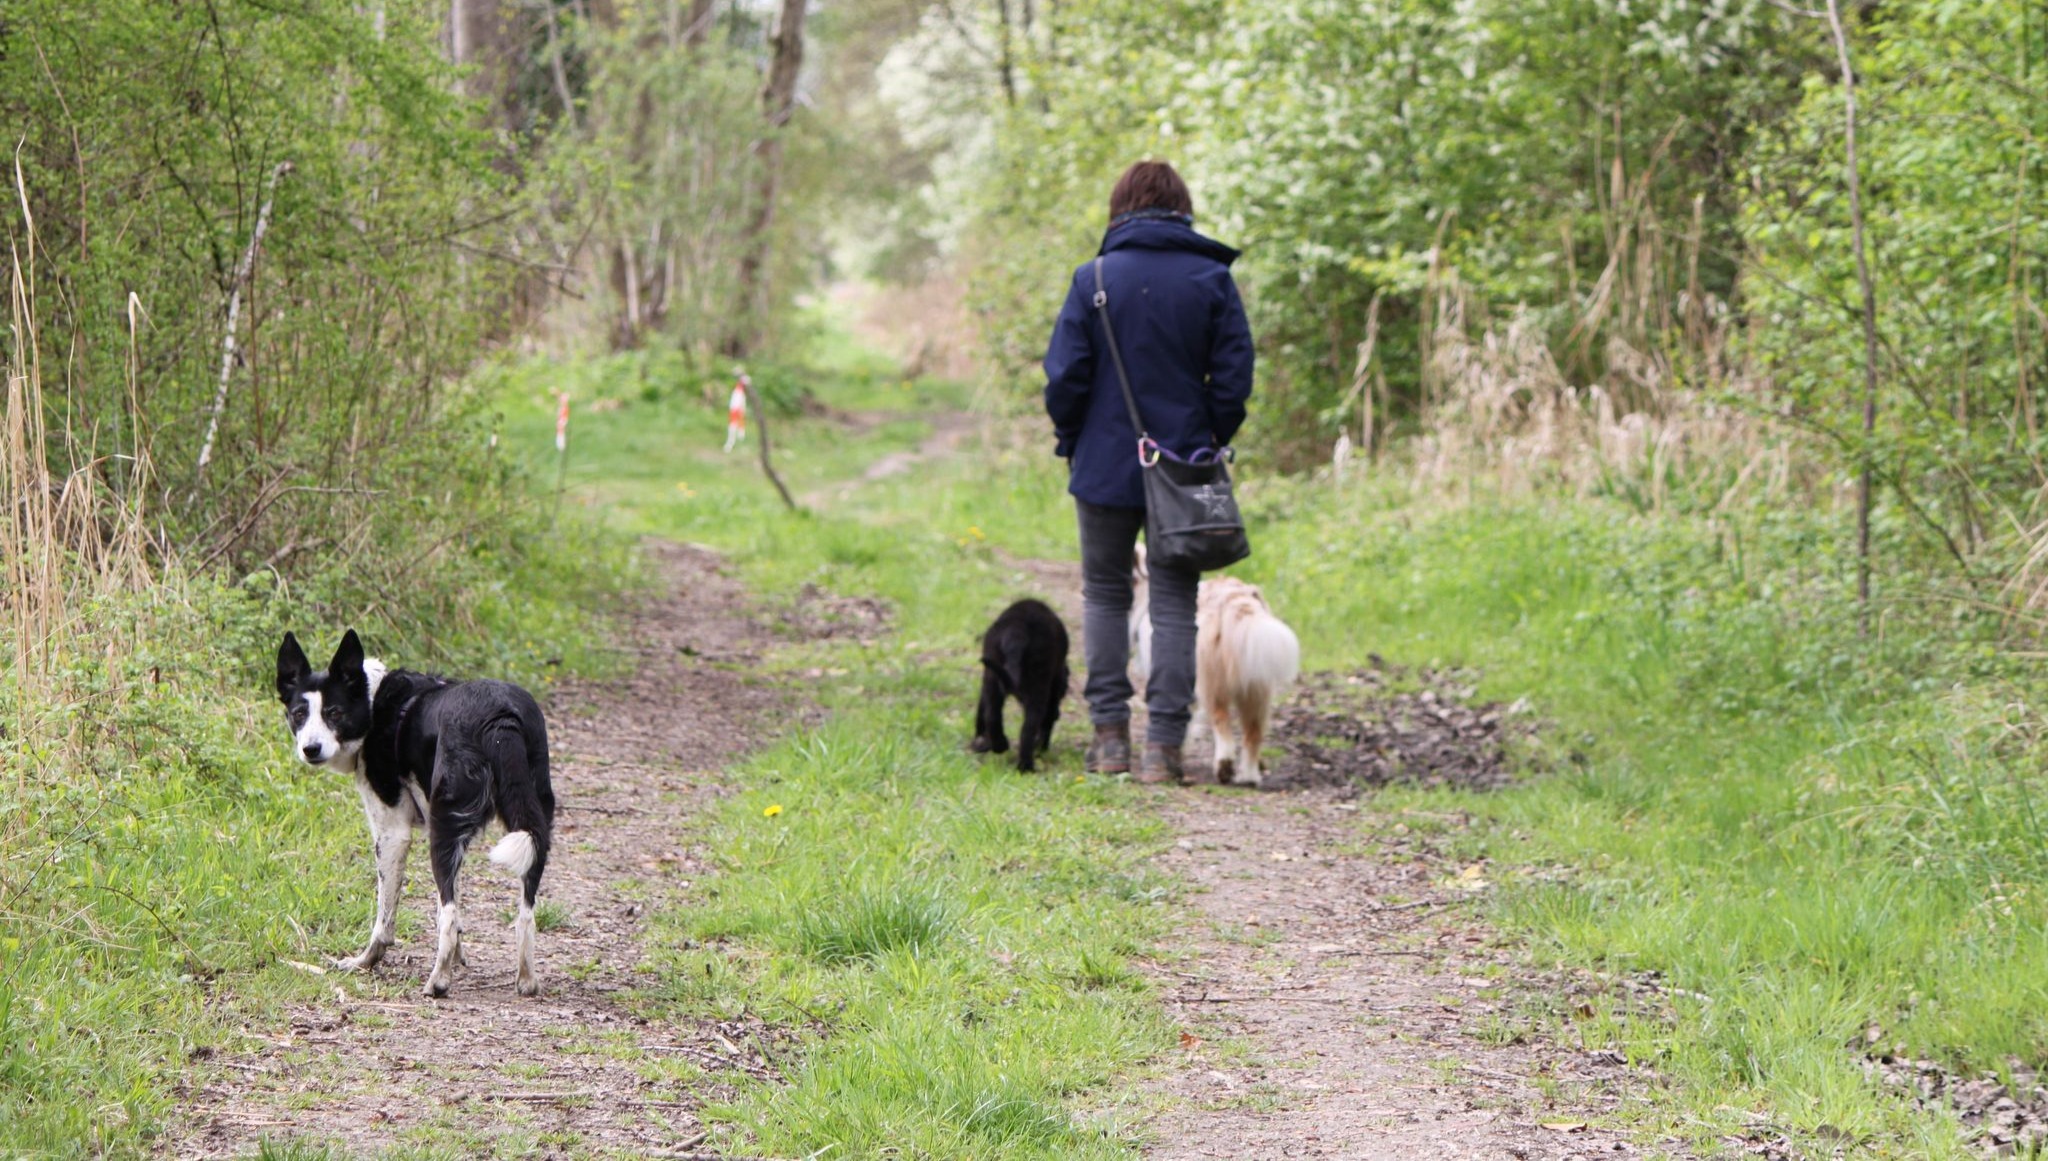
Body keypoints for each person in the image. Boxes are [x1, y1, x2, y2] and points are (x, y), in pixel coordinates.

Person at [1042, 160, 1255, 784]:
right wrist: (1212, 437)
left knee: (1105, 594)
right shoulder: (1212, 278)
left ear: (1120, 210)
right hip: (1185, 464)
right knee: (1174, 603)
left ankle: (1110, 741)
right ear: (1182, 208)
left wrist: (1072, 439)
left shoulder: (1095, 278)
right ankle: (1163, 748)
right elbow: (1235, 377)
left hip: (1104, 464)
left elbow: (1065, 377)